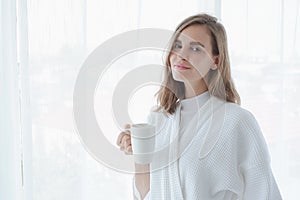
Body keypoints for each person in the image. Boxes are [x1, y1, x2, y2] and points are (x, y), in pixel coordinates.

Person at [116, 13, 282, 200]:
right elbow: (145, 196)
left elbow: (264, 193)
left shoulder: (237, 121)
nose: (181, 56)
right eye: (178, 46)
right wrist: (140, 154)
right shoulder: (158, 119)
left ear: (215, 61)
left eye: (195, 49)